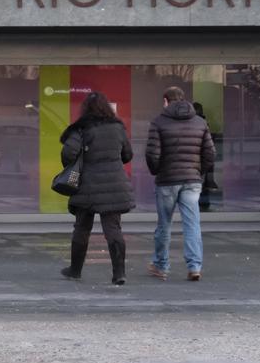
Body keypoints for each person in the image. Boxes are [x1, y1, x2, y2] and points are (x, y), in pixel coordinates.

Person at [58, 92, 134, 285]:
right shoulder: (117, 128)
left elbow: (69, 153)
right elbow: (127, 154)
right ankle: (119, 273)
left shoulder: (82, 129)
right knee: (113, 228)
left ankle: (75, 270)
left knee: (82, 228)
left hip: (87, 186)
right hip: (114, 185)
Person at [145, 86, 215, 282]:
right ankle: (194, 267)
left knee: (164, 225)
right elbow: (210, 153)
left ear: (166, 101)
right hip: (192, 181)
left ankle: (161, 266)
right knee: (192, 224)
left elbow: (152, 153)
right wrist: (198, 172)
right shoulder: (200, 122)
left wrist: (156, 171)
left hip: (167, 181)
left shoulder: (158, 122)